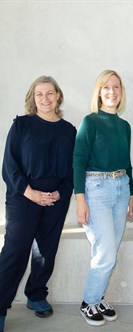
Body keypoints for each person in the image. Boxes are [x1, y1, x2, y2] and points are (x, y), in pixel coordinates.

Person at [0, 76, 76, 331]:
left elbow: (72, 169)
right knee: (15, 251)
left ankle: (36, 294)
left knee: (46, 249)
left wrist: (60, 193)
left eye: (50, 93)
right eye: (39, 94)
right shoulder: (21, 125)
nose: (45, 98)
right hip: (23, 197)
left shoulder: (69, 130)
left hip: (56, 198)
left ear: (58, 96)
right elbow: (9, 165)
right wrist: (29, 192)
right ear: (33, 99)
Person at [73, 70, 133, 327]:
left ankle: (98, 297)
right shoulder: (90, 122)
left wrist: (132, 194)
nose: (112, 92)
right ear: (99, 92)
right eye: (106, 87)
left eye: (116, 87)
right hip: (96, 187)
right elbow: (78, 160)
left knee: (110, 250)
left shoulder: (124, 126)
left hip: (121, 187)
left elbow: (127, 163)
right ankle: (88, 301)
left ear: (121, 92)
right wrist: (80, 199)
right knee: (105, 252)